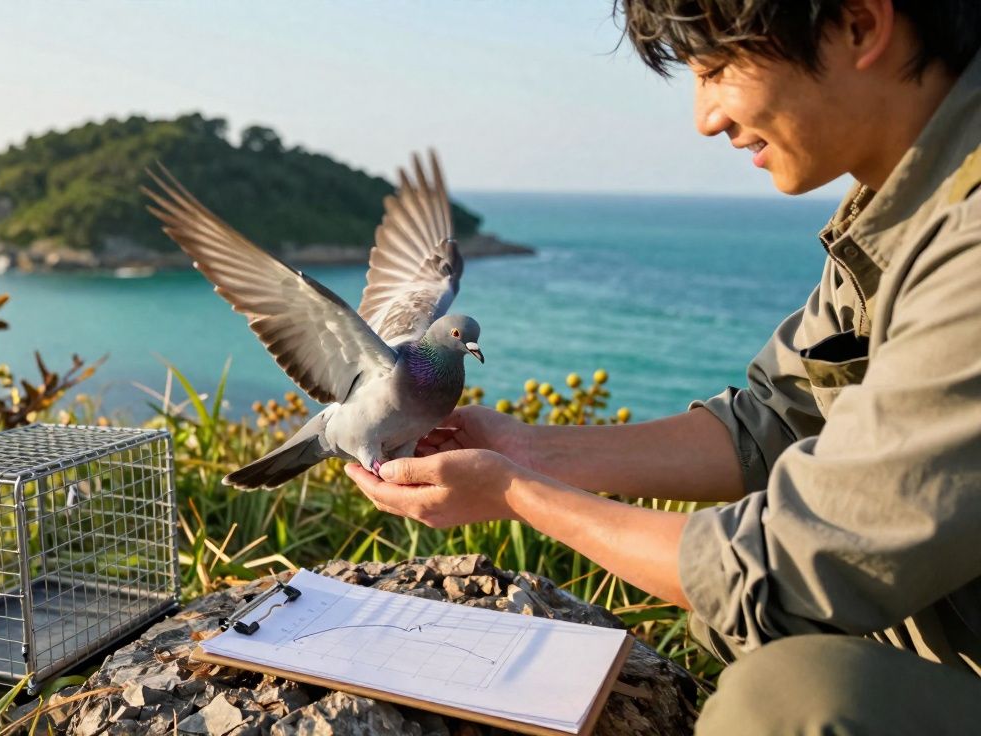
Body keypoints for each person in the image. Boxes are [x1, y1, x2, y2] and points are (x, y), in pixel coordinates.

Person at [345, 1, 981, 732]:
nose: (705, 118)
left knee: (788, 699)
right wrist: (525, 450)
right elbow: (773, 421)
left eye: (717, 68)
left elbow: (790, 566)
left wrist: (518, 492)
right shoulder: (904, 204)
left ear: (860, 25)